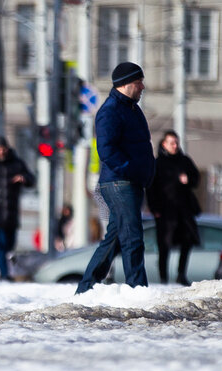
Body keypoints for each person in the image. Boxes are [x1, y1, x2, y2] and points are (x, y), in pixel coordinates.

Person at [75, 62, 155, 294]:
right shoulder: (110, 110)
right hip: (120, 183)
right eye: (138, 82)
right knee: (132, 237)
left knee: (116, 237)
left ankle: (86, 288)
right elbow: (106, 149)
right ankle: (138, 290)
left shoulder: (131, 108)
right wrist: (130, 169)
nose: (142, 86)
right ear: (125, 84)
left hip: (130, 182)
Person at [146, 130, 201, 286]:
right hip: (165, 212)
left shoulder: (184, 160)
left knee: (187, 240)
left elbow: (196, 179)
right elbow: (150, 188)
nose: (175, 146)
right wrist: (154, 208)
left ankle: (181, 274)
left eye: (176, 142)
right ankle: (163, 278)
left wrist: (188, 180)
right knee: (164, 245)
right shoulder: (158, 163)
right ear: (164, 144)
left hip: (183, 210)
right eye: (171, 143)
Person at [0, 136, 35, 280]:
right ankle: (5, 275)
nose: (1, 152)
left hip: (12, 211)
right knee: (2, 243)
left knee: (10, 245)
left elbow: (32, 179)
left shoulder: (17, 163)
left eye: (3, 148)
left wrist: (23, 178)